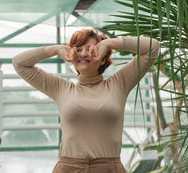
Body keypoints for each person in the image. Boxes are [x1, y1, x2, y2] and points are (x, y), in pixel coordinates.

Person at [12, 29, 159, 173]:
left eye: (90, 49)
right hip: (68, 168)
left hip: (109, 168)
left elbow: (152, 47)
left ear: (103, 59)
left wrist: (110, 43)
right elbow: (19, 63)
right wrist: (56, 49)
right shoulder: (61, 88)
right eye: (78, 49)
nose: (83, 53)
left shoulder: (119, 83)